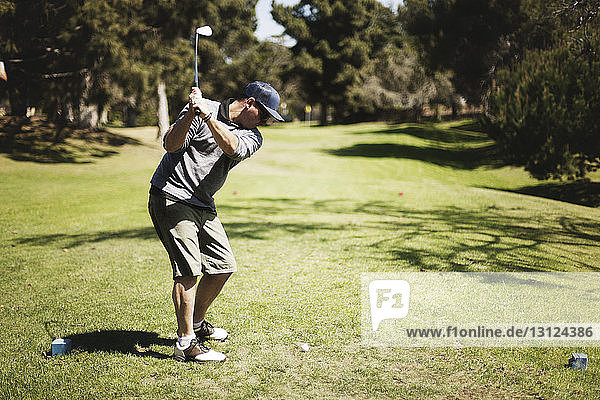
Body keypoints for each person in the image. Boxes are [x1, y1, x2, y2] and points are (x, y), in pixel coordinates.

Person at [148, 81, 285, 362]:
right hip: (172, 196)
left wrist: (208, 117)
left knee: (223, 266)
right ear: (249, 103)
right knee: (188, 270)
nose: (267, 121)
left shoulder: (252, 136)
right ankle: (185, 344)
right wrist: (190, 114)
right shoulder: (200, 108)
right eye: (265, 114)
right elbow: (170, 145)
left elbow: (232, 147)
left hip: (203, 202)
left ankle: (196, 325)